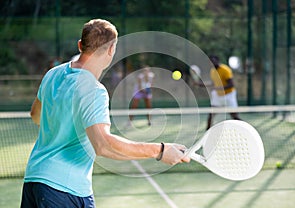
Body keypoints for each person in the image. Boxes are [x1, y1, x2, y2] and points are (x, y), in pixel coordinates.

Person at [21, 19, 189, 208]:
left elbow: (36, 115)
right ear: (111, 51)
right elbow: (103, 146)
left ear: (80, 45)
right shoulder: (94, 91)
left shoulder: (52, 74)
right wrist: (160, 150)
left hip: (35, 179)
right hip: (63, 189)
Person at [206, 55, 241, 129]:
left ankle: (244, 128)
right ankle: (207, 132)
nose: (212, 62)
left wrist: (218, 88)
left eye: (213, 61)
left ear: (217, 61)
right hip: (218, 96)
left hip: (229, 95)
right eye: (210, 61)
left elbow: (231, 84)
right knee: (211, 115)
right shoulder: (212, 71)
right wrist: (201, 84)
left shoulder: (225, 70)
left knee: (234, 116)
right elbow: (214, 83)